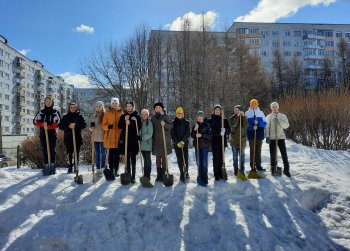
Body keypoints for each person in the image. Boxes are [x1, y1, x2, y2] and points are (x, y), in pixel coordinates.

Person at [33, 96, 61, 175]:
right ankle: (46, 166)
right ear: (44, 102)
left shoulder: (55, 112)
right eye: (47, 101)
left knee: (52, 150)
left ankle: (52, 166)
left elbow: (59, 122)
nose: (48, 102)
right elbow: (35, 121)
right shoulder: (41, 112)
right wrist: (42, 124)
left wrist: (50, 126)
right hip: (43, 134)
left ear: (52, 102)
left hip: (52, 134)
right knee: (44, 150)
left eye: (50, 101)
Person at [59, 102, 86, 174]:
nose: (73, 108)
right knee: (69, 153)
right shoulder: (66, 116)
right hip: (68, 138)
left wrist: (76, 124)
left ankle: (76, 166)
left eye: (74, 107)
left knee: (76, 153)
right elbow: (61, 126)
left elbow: (84, 126)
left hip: (77, 137)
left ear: (76, 108)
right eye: (71, 107)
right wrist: (68, 126)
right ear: (69, 108)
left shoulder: (79, 116)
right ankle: (70, 166)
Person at [266, 102, 291, 177]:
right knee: (273, 154)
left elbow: (286, 125)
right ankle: (273, 168)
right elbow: (267, 127)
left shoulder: (282, 116)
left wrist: (279, 121)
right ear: (271, 108)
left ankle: (286, 170)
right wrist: (267, 136)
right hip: (272, 138)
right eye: (273, 107)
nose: (274, 108)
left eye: (276, 107)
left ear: (278, 107)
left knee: (284, 154)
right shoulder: (269, 117)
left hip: (281, 137)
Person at [118, 101, 142, 183]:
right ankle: (128, 173)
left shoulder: (136, 116)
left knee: (133, 159)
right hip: (125, 140)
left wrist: (131, 122)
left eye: (130, 106)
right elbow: (119, 126)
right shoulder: (123, 115)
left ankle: (133, 176)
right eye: (127, 106)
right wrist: (124, 121)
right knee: (127, 159)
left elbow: (139, 126)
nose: (128, 108)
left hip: (133, 140)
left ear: (133, 107)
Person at [208, 104, 231, 181]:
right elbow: (210, 131)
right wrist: (219, 133)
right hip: (214, 142)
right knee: (216, 158)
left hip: (222, 142)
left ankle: (221, 173)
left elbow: (229, 130)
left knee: (221, 158)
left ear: (220, 111)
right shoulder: (210, 120)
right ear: (214, 111)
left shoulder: (224, 120)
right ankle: (216, 174)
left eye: (219, 110)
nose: (217, 111)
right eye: (216, 109)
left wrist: (225, 131)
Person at [151, 102, 173, 182]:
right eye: (156, 107)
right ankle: (158, 175)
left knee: (164, 158)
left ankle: (163, 175)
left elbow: (171, 126)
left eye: (159, 107)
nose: (158, 109)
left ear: (162, 108)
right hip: (156, 141)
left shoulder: (166, 116)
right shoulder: (153, 118)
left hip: (165, 140)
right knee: (158, 159)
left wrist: (165, 125)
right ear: (154, 109)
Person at [101, 97, 123, 177]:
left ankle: (116, 170)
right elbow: (103, 125)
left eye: (116, 103)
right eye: (113, 103)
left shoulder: (121, 113)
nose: (114, 104)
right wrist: (108, 127)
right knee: (110, 156)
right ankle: (111, 169)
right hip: (109, 137)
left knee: (117, 156)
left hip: (118, 138)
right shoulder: (107, 113)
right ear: (111, 104)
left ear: (118, 104)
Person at [245, 99, 267, 172]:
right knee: (252, 150)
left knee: (258, 150)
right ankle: (252, 166)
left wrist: (258, 123)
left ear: (257, 105)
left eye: (255, 104)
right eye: (252, 104)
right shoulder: (247, 113)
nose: (254, 105)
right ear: (250, 105)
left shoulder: (261, 113)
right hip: (251, 134)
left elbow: (265, 123)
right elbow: (245, 125)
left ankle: (258, 165)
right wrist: (251, 127)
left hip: (259, 134)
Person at [191, 111, 212, 186]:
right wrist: (194, 130)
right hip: (197, 147)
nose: (199, 118)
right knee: (198, 162)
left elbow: (210, 136)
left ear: (203, 117)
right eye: (198, 117)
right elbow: (192, 136)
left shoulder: (207, 125)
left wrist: (201, 135)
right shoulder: (195, 125)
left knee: (204, 163)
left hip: (204, 147)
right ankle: (200, 177)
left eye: (201, 116)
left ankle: (205, 178)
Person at [171, 107, 190, 183]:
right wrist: (177, 142)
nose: (179, 114)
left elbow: (187, 133)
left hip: (184, 143)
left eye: (181, 113)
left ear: (183, 114)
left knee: (185, 159)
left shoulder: (186, 122)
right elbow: (172, 134)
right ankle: (182, 173)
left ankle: (186, 172)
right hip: (177, 144)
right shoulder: (173, 122)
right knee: (179, 159)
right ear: (176, 114)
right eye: (178, 113)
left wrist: (183, 141)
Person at [229, 105, 248, 177]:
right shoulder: (231, 118)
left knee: (242, 157)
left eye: (237, 110)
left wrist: (243, 117)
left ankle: (242, 170)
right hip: (234, 141)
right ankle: (235, 170)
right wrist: (237, 116)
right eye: (235, 110)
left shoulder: (244, 117)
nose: (236, 111)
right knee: (235, 157)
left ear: (241, 110)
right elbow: (233, 125)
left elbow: (246, 125)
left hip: (242, 140)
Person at [90, 101, 106, 174]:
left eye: (100, 106)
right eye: (97, 106)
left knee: (103, 153)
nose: (98, 108)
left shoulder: (105, 115)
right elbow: (91, 125)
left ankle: (103, 166)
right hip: (95, 137)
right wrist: (91, 128)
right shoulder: (94, 116)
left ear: (102, 107)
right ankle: (97, 167)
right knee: (97, 153)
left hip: (102, 137)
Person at [140, 109, 153, 180]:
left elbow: (150, 133)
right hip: (142, 145)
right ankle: (145, 174)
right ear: (141, 115)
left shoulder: (149, 123)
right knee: (145, 160)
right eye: (143, 114)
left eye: (146, 114)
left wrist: (142, 138)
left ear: (148, 115)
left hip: (148, 144)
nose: (144, 115)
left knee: (148, 160)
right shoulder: (141, 122)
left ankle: (148, 175)